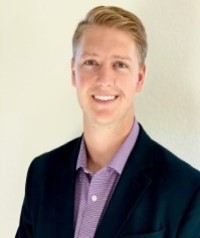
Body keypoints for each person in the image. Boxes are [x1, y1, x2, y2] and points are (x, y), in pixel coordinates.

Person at [15, 5, 200, 238]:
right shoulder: (41, 174)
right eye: (91, 62)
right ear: (74, 73)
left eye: (120, 64)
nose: (104, 79)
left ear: (140, 78)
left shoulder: (187, 189)